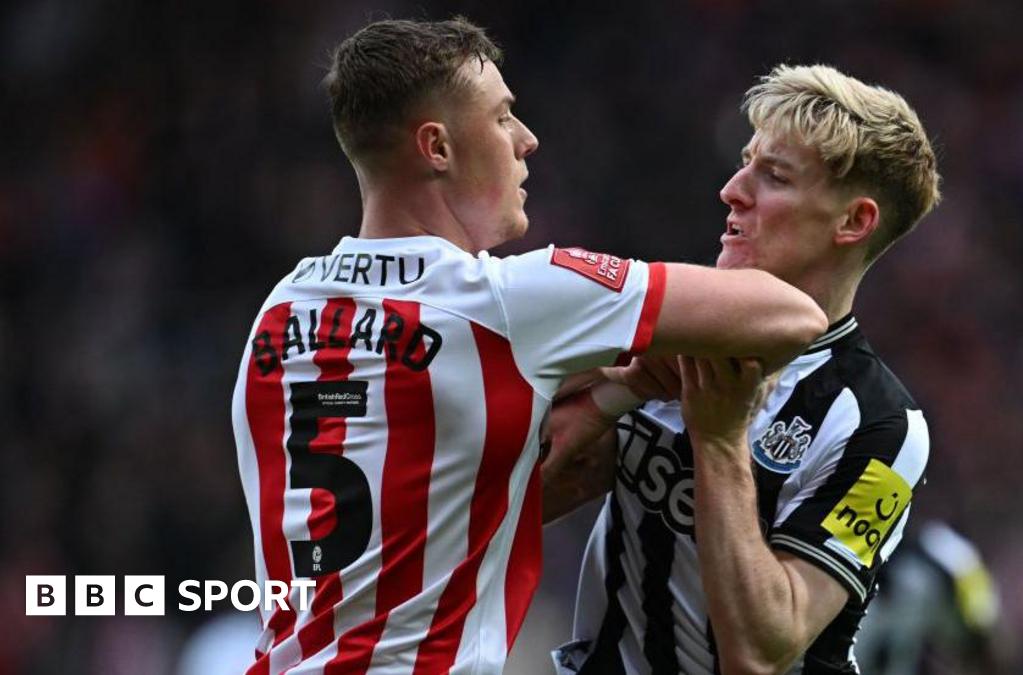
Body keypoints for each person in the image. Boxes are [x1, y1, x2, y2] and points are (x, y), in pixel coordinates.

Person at [230, 18, 827, 675]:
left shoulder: (280, 311)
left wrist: (616, 383)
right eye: (503, 117)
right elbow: (791, 314)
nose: (527, 140)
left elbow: (445, 466)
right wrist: (652, 356)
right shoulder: (506, 300)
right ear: (438, 148)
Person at [542, 64, 942, 674]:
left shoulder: (882, 426)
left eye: (774, 176)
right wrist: (617, 389)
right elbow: (522, 504)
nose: (733, 189)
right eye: (746, 161)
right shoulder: (674, 330)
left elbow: (763, 652)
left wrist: (722, 441)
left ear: (853, 222)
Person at [854, 520, 1014, 675]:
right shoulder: (981, 613)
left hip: (905, 589)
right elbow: (943, 548)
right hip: (906, 583)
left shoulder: (973, 622)